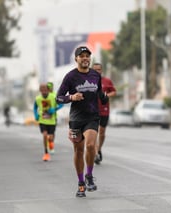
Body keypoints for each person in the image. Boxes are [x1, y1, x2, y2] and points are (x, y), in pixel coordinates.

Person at [56, 46, 108, 198]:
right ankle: (80, 183)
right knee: (78, 151)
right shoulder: (70, 77)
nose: (85, 58)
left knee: (91, 145)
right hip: (76, 119)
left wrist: (103, 96)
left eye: (87, 56)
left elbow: (98, 91)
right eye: (82, 56)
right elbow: (58, 97)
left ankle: (89, 176)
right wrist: (71, 97)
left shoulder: (95, 75)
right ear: (76, 59)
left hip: (92, 117)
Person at [92, 63, 116, 165]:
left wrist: (106, 95)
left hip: (104, 110)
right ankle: (96, 152)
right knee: (93, 133)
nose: (97, 71)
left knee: (101, 132)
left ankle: (99, 148)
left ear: (102, 70)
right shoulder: (88, 81)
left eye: (99, 69)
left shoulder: (106, 81)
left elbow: (113, 91)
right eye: (95, 70)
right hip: (92, 110)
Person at [34, 83, 62, 161]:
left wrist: (54, 109)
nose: (44, 91)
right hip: (42, 120)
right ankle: (46, 153)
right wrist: (36, 114)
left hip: (52, 121)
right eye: (42, 90)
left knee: (50, 137)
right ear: (40, 90)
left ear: (48, 90)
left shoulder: (53, 97)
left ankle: (51, 143)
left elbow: (61, 104)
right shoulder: (38, 98)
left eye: (45, 90)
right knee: (45, 135)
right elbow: (35, 107)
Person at [46, 81, 63, 154]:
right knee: (46, 133)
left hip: (53, 117)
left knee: (52, 133)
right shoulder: (44, 95)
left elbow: (61, 104)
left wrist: (55, 109)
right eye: (48, 87)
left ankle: (51, 145)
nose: (50, 88)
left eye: (51, 87)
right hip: (45, 118)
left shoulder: (55, 95)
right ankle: (48, 144)